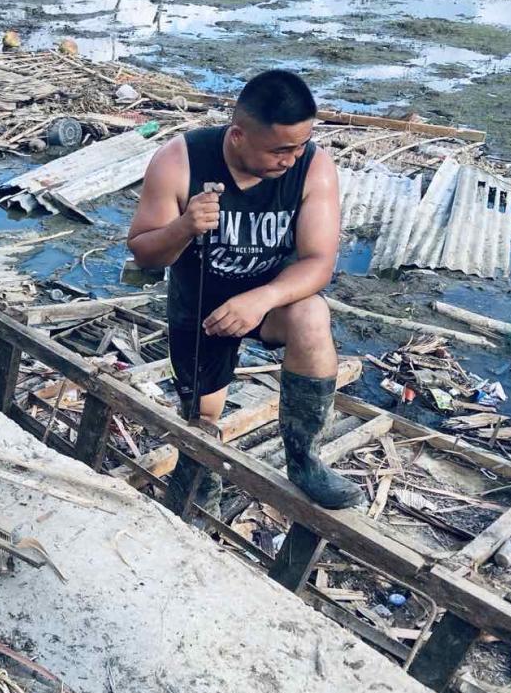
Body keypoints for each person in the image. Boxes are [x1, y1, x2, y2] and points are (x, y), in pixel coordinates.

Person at [126, 69, 363, 512]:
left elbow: (318, 262)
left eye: (300, 145)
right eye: (280, 149)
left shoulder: (314, 167)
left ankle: (305, 460)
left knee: (312, 314)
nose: (291, 159)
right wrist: (183, 227)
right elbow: (143, 252)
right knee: (203, 416)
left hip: (272, 301)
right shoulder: (180, 161)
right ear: (238, 136)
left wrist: (262, 298)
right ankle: (198, 489)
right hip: (202, 309)